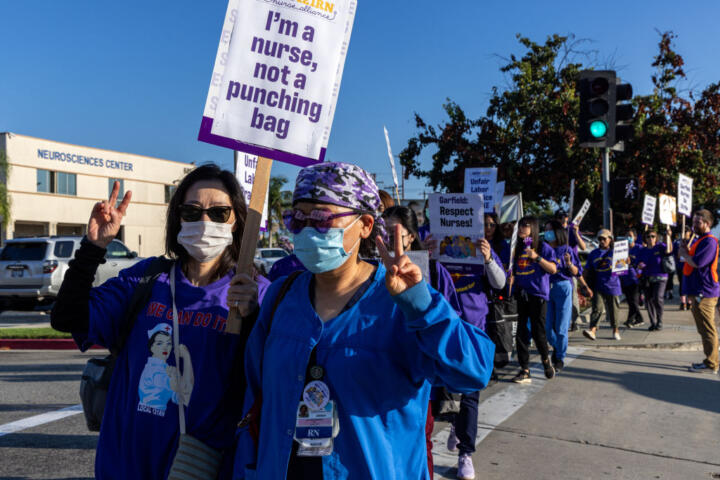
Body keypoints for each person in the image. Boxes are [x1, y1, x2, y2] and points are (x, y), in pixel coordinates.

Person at [233, 162, 495, 479]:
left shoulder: (401, 301)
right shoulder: (280, 297)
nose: (306, 229)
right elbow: (254, 400)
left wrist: (422, 306)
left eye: (321, 218)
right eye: (297, 218)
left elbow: (474, 371)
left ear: (366, 225)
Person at [50, 164, 268, 479]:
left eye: (219, 213)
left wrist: (253, 317)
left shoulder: (255, 293)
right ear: (177, 218)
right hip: (126, 462)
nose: (204, 222)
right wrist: (94, 247)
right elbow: (67, 317)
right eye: (192, 212)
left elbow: (270, 378)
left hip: (203, 467)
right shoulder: (146, 279)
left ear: (237, 222)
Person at [381, 205, 464, 478]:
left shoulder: (432, 271)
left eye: (395, 233)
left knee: (419, 443)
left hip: (417, 378)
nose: (387, 240)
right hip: (378, 377)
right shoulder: (367, 272)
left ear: (411, 237)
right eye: (383, 232)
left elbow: (452, 320)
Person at [439, 212, 506, 479]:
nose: (488, 229)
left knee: (469, 395)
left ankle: (465, 453)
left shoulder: (483, 251)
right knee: (441, 393)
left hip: (473, 331)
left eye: (491, 225)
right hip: (441, 331)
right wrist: (428, 255)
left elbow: (500, 283)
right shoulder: (436, 247)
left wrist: (488, 258)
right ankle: (456, 423)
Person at [511, 215, 558, 384]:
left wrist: (537, 257)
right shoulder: (516, 248)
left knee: (539, 332)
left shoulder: (543, 247)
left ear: (534, 229)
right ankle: (524, 369)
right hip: (521, 294)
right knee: (521, 333)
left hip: (538, 295)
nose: (522, 228)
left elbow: (553, 269)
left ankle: (546, 361)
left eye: (526, 225)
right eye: (520, 225)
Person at [678, 209, 720, 374]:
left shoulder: (709, 242)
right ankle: (710, 360)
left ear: (707, 224)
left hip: (705, 292)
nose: (694, 225)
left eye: (698, 222)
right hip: (697, 291)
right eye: (694, 222)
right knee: (703, 329)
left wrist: (684, 255)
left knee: (708, 328)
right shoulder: (699, 239)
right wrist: (684, 249)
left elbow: (698, 263)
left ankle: (712, 363)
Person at [544, 220, 582, 371]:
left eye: (550, 230)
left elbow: (577, 272)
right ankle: (556, 346)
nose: (547, 233)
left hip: (563, 287)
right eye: (545, 230)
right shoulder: (544, 249)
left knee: (561, 327)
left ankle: (559, 357)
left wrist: (569, 264)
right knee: (547, 328)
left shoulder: (566, 250)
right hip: (546, 288)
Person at [582, 229, 622, 341]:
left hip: (612, 284)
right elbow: (587, 270)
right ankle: (593, 330)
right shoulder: (593, 254)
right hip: (598, 284)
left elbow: (621, 270)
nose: (602, 241)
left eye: (604, 238)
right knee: (597, 308)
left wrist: (625, 262)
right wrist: (584, 285)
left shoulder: (616, 252)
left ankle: (615, 330)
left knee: (613, 309)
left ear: (610, 239)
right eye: (600, 239)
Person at [638, 227, 673, 331]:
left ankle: (660, 320)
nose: (650, 238)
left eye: (653, 236)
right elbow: (638, 263)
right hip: (647, 278)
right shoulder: (642, 250)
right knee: (648, 301)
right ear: (645, 238)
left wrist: (669, 236)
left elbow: (669, 250)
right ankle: (653, 322)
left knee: (658, 298)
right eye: (648, 237)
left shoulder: (660, 246)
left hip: (661, 277)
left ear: (656, 238)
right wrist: (639, 266)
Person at [621, 229, 645, 328]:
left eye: (630, 236)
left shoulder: (639, 249)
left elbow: (642, 263)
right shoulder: (622, 249)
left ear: (635, 238)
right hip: (625, 278)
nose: (628, 238)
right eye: (626, 235)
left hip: (635, 279)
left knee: (633, 301)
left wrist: (634, 265)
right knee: (630, 300)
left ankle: (639, 318)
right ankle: (630, 320)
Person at [674, 227, 692, 310]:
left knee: (690, 284)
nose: (684, 233)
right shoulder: (677, 242)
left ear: (689, 232)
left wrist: (689, 250)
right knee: (682, 284)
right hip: (680, 266)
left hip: (691, 266)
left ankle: (689, 302)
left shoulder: (694, 241)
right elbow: (674, 253)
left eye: (686, 231)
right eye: (682, 231)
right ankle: (683, 302)